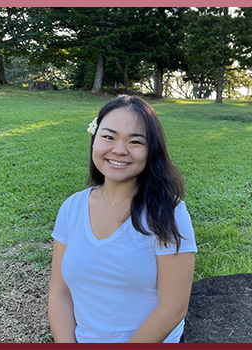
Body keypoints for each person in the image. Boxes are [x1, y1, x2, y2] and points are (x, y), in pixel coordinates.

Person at [47, 95, 197, 343]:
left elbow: (173, 307)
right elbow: (60, 293)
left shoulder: (168, 212)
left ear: (151, 151)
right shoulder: (72, 208)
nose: (119, 149)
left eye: (135, 141)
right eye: (108, 136)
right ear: (94, 139)